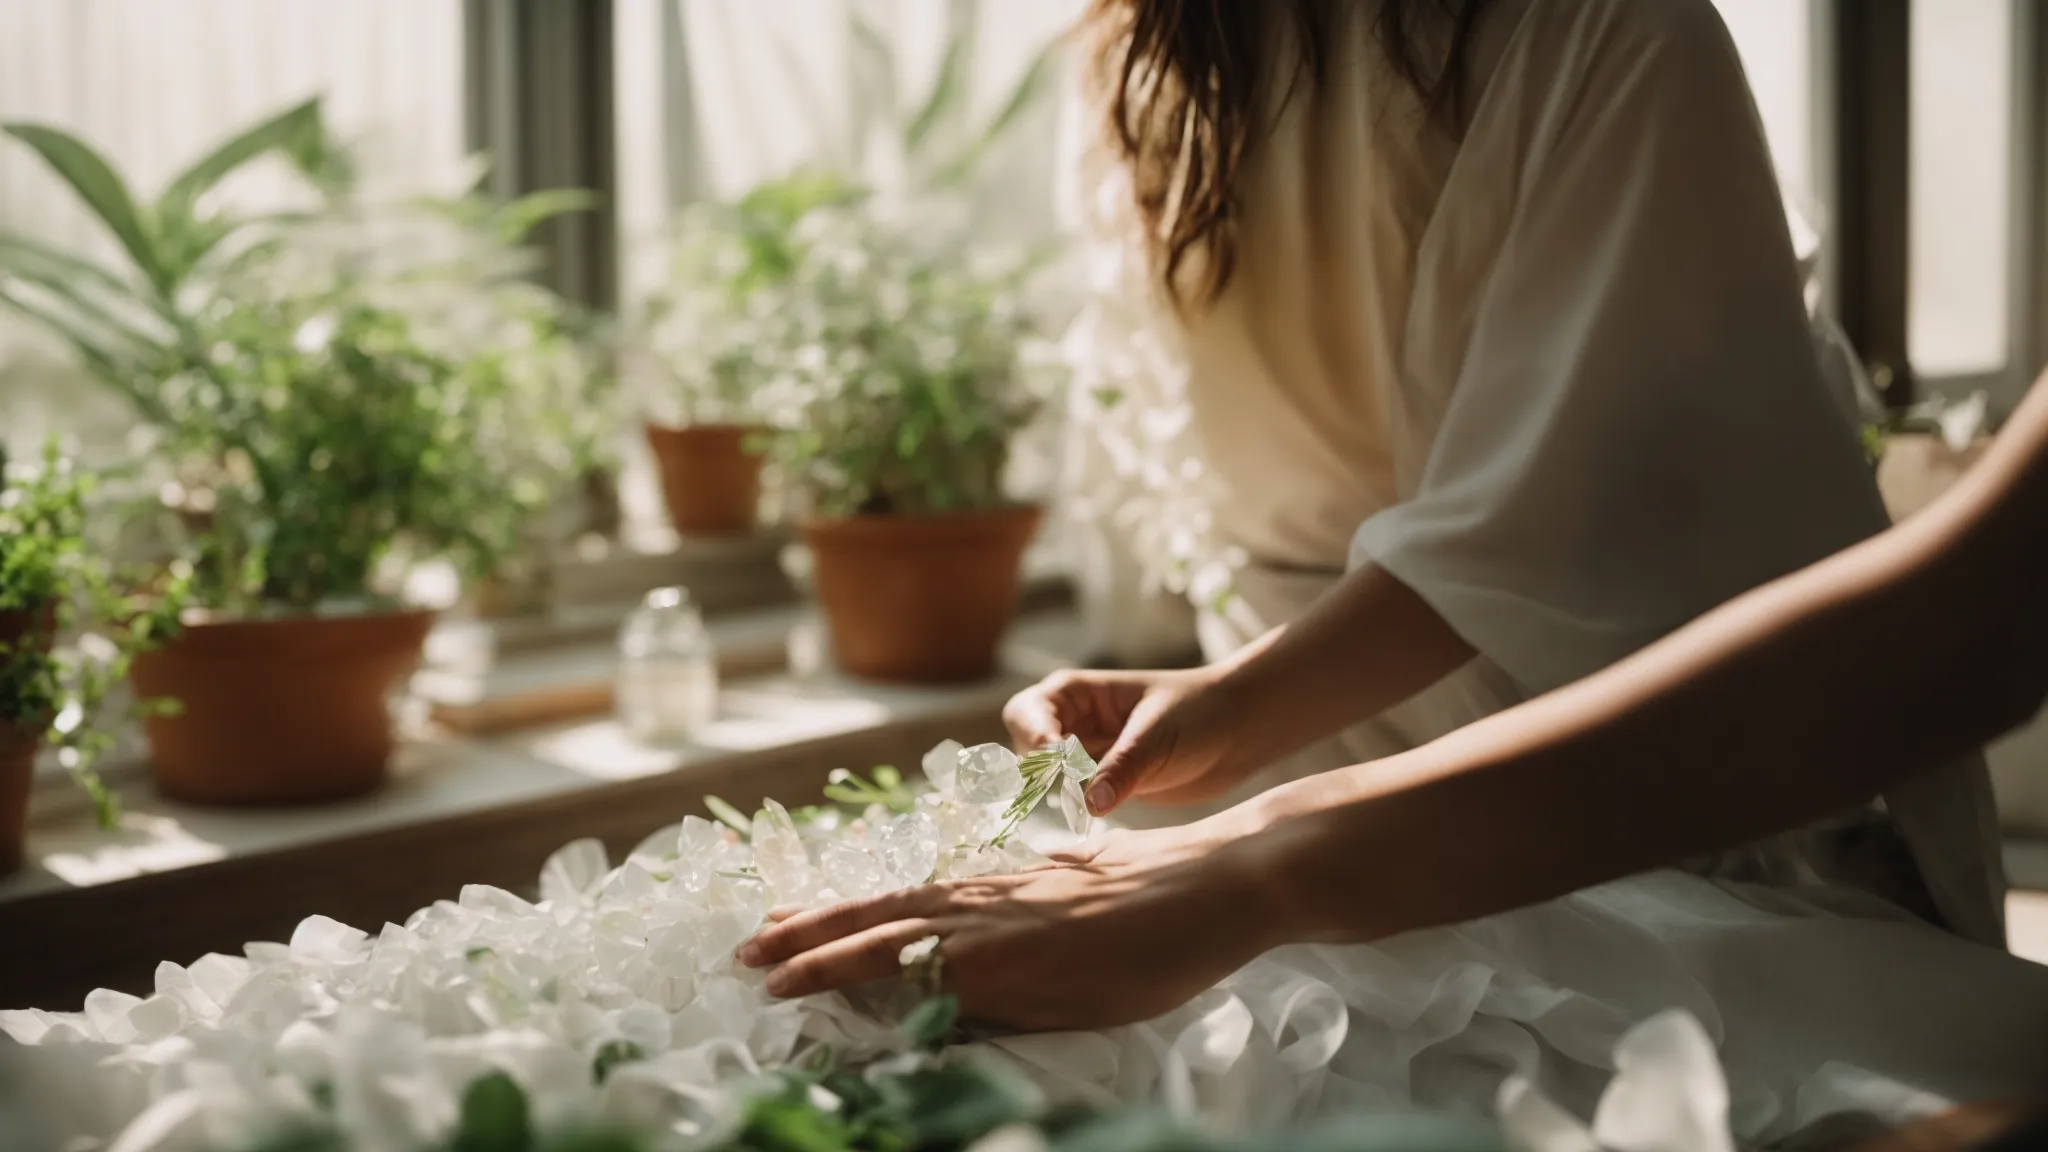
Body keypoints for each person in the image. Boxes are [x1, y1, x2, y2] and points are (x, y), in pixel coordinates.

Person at [737, 0, 2048, 1136]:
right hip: (1324, 814)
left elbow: (1953, 628)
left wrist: (1258, 856)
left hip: (1602, 832)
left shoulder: (1591, 35)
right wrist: (1236, 718)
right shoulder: (1149, 58)